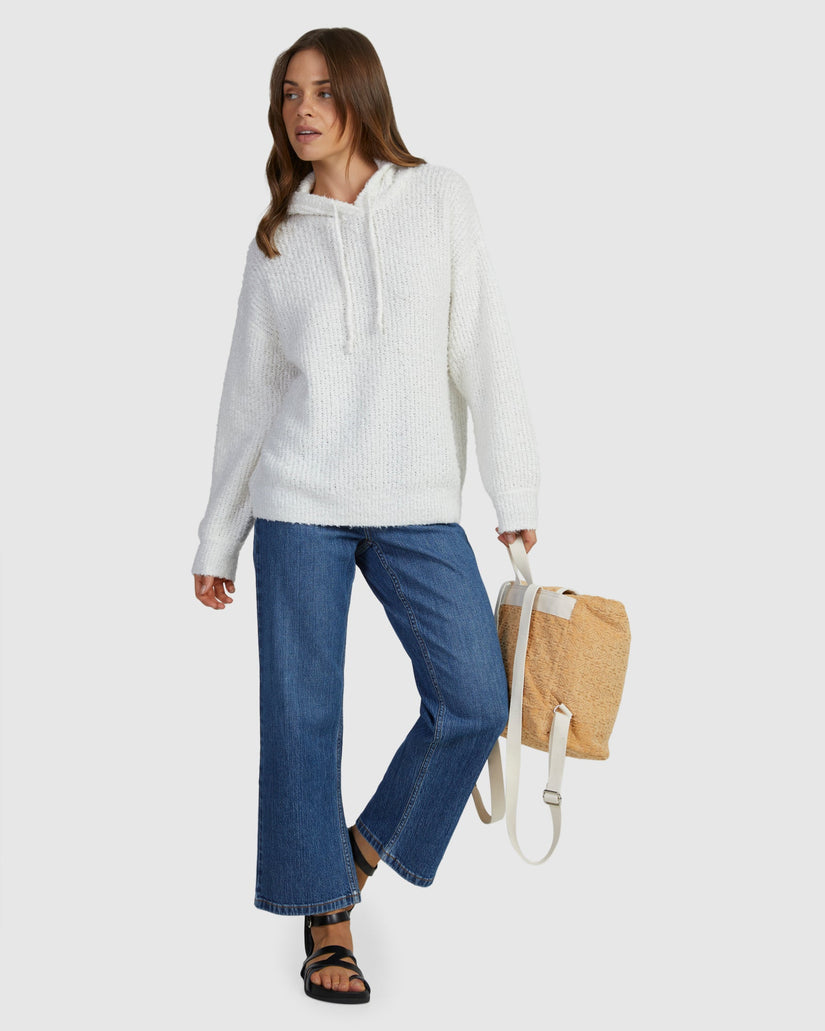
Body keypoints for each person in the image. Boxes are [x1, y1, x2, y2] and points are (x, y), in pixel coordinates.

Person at [191, 26, 541, 1005]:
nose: (302, 109)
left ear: (361, 96)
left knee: (473, 699)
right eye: (288, 93)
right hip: (298, 505)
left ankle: (350, 854)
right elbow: (249, 399)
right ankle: (326, 923)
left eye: (320, 90)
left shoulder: (440, 199)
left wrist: (514, 493)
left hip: (417, 501)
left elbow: (485, 348)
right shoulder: (279, 238)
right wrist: (219, 535)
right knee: (301, 716)